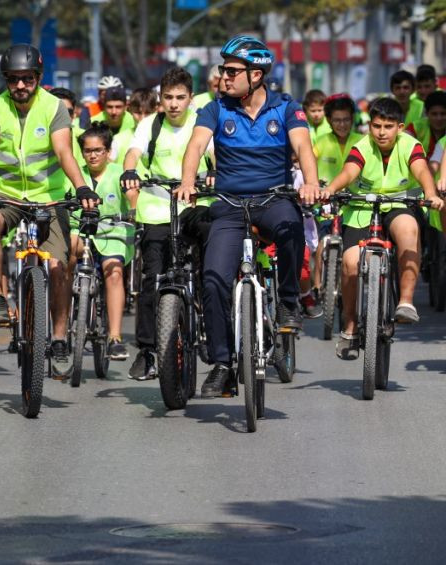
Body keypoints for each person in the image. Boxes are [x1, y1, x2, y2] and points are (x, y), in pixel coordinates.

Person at [176, 36, 321, 399]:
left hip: (273, 200)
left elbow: (302, 146)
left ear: (256, 75)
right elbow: (195, 145)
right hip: (227, 204)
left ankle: (288, 303)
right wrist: (188, 182)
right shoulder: (215, 108)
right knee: (212, 280)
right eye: (223, 70)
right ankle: (223, 364)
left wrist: (312, 183)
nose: (223, 77)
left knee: (292, 230)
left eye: (231, 71)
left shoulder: (286, 107)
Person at [0, 45, 99, 378]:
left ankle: (57, 337)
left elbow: (63, 151)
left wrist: (82, 188)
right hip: (7, 196)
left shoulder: (54, 107)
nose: (20, 85)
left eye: (27, 79)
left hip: (49, 197)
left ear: (38, 78)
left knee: (58, 266)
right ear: (6, 81)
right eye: (13, 79)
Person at [328, 97, 442, 354]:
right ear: (370, 126)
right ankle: (350, 326)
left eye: (388, 126)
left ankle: (405, 302)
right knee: (350, 263)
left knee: (409, 231)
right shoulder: (362, 146)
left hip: (399, 203)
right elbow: (349, 172)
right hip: (361, 208)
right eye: (376, 126)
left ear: (399, 127)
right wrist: (331, 189)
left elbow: (422, 170)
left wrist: (430, 192)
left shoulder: (410, 145)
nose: (381, 132)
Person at [121, 67, 210, 379]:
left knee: (212, 262)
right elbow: (133, 153)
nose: (174, 104)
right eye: (168, 97)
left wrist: (214, 174)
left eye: (180, 97)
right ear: (161, 98)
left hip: (195, 205)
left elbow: (216, 155)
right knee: (152, 279)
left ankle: (209, 322)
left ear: (190, 98)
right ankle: (147, 350)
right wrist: (129, 171)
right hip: (156, 207)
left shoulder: (202, 122)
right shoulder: (150, 124)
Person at [70, 123, 134, 366]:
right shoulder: (75, 174)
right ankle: (62, 326)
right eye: (88, 151)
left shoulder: (120, 173)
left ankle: (115, 337)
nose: (93, 155)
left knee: (114, 271)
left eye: (98, 150)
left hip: (113, 232)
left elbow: (132, 197)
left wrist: (134, 209)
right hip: (81, 232)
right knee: (63, 257)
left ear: (108, 152)